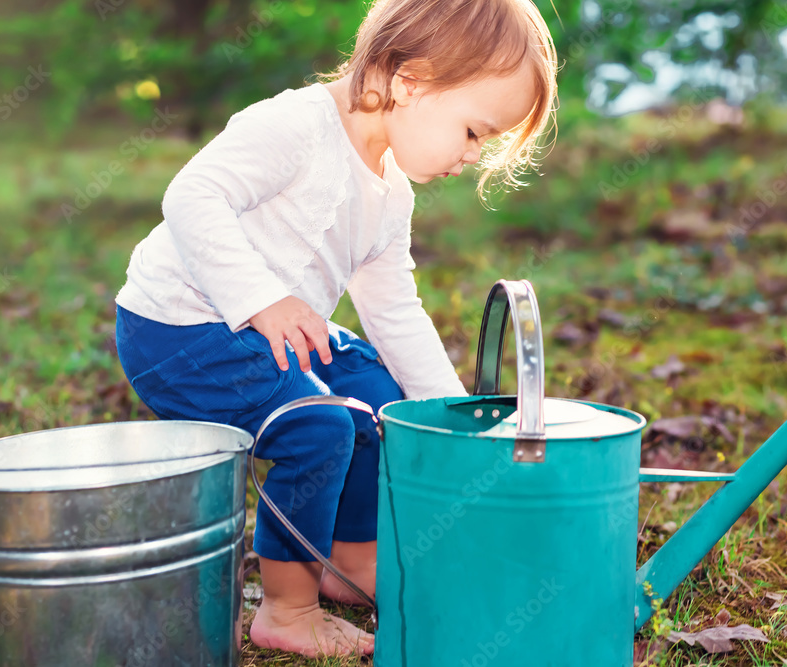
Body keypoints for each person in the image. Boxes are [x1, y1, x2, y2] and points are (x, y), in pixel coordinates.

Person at [114, 0, 557, 658]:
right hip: (178, 329)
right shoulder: (297, 126)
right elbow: (192, 196)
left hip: (262, 330)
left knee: (379, 400)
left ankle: (350, 559)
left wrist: (452, 413)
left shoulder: (390, 192)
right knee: (319, 424)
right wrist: (265, 299)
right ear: (411, 82)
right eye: (472, 132)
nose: (471, 156)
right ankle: (286, 610)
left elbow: (393, 309)